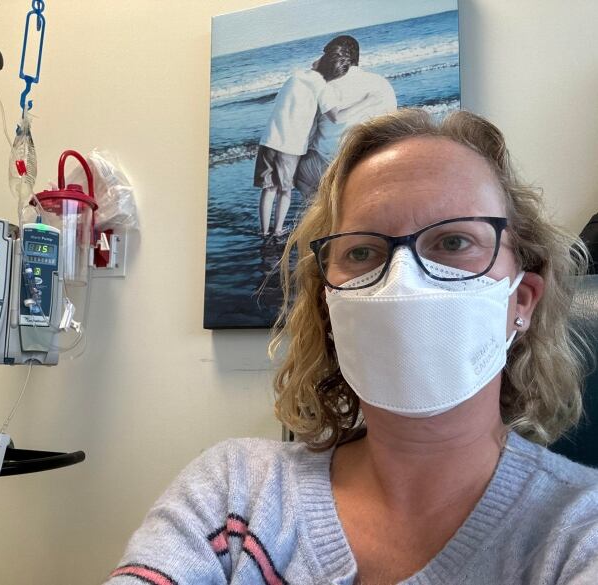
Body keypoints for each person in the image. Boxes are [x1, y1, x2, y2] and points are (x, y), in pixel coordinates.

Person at [106, 109, 596, 584]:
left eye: (452, 243)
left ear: (522, 300)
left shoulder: (577, 534)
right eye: (363, 251)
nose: (404, 284)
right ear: (330, 305)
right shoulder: (232, 492)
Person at [254, 51, 351, 238]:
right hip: (290, 146)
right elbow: (335, 116)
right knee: (285, 191)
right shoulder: (321, 87)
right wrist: (364, 102)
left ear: (322, 62)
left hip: (269, 140)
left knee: (268, 189)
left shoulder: (296, 75)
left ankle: (264, 231)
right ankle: (278, 230)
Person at [296, 35, 397, 199]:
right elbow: (392, 122)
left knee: (297, 171)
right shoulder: (381, 83)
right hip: (374, 159)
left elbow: (307, 134)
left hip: (333, 163)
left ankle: (323, 212)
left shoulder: (324, 89)